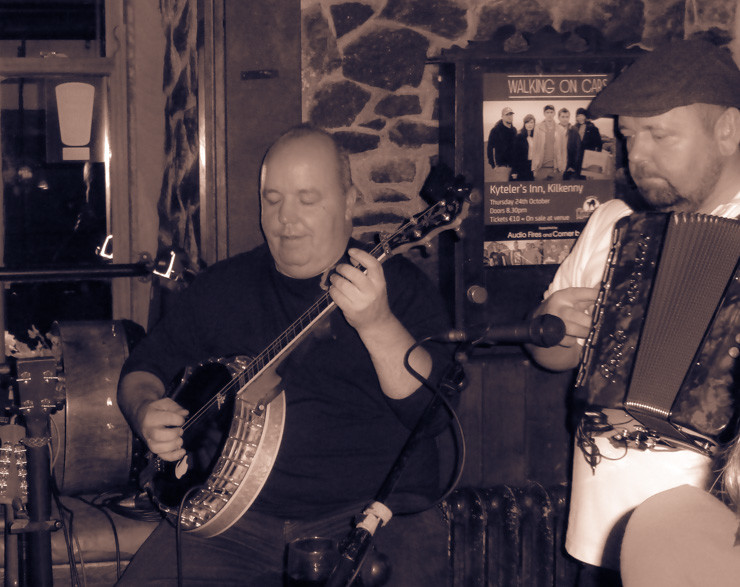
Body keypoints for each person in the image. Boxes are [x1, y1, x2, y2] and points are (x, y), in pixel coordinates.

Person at [115, 125, 456, 586]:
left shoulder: (404, 289)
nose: (285, 218)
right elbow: (143, 370)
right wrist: (144, 412)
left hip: (372, 517)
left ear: (351, 201)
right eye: (272, 199)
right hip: (231, 521)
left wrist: (377, 324)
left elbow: (431, 416)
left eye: (307, 199)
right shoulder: (222, 287)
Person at [525, 38, 740, 585]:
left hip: (706, 551)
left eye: (659, 135)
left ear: (728, 131)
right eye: (627, 136)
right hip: (596, 540)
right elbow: (550, 356)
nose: (636, 156)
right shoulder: (611, 224)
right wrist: (551, 325)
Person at [531, 104, 567, 181]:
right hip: (541, 168)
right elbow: (535, 148)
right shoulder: (538, 128)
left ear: (554, 113)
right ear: (544, 114)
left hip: (556, 168)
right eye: (547, 112)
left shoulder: (560, 129)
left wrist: (563, 167)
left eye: (551, 112)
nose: (549, 114)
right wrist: (534, 168)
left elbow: (563, 150)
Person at [486, 106, 517, 181]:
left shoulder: (514, 130)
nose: (510, 117)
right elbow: (489, 148)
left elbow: (516, 150)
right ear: (502, 116)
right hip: (502, 167)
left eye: (511, 114)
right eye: (507, 115)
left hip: (513, 169)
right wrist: (493, 165)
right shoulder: (496, 131)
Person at [511, 113, 535, 181]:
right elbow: (514, 155)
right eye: (527, 122)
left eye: (531, 122)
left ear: (534, 124)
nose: (529, 125)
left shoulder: (536, 137)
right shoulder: (519, 137)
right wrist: (514, 171)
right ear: (524, 124)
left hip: (533, 166)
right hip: (522, 167)